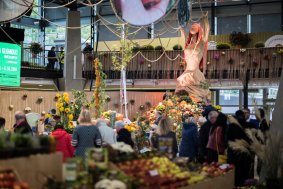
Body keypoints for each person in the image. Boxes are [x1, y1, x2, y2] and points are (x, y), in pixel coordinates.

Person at [175, 12, 210, 102]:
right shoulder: (188, 44)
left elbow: (206, 32)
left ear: (199, 29)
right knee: (181, 96)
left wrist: (205, 20)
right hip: (186, 73)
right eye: (192, 26)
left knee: (197, 96)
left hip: (195, 73)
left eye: (195, 26)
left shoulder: (201, 44)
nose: (192, 27)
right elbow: (182, 30)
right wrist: (180, 20)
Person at [227, 110, 255, 187]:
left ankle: (237, 186)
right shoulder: (250, 125)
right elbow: (252, 140)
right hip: (247, 153)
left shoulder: (231, 126)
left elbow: (228, 140)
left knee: (236, 173)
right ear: (244, 116)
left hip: (235, 154)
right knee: (245, 171)